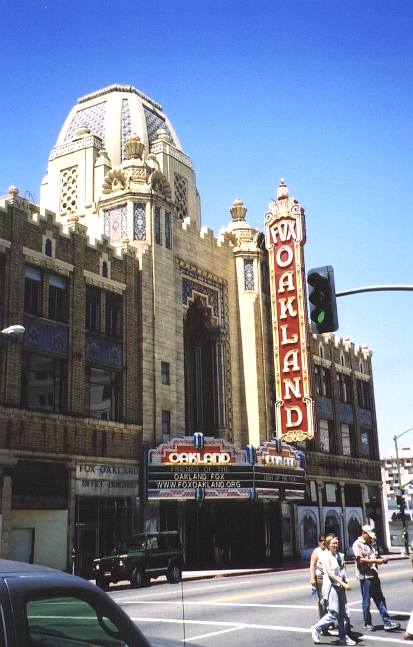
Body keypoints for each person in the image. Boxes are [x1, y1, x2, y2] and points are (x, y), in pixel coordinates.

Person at [352, 524, 400, 632]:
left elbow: (375, 557)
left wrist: (381, 559)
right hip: (365, 576)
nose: (370, 537)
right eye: (369, 535)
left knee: (380, 599)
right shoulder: (357, 544)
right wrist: (376, 561)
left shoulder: (371, 544)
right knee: (366, 601)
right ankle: (367, 623)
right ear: (364, 533)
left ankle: (387, 622)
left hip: (374, 574)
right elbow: (360, 560)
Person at [310, 535, 355, 645]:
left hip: (339, 586)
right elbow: (330, 574)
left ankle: (343, 637)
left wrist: (345, 581)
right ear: (328, 544)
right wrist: (344, 584)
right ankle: (317, 628)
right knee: (334, 612)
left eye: (337, 543)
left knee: (342, 614)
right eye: (333, 543)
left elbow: (341, 571)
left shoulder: (337, 555)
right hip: (331, 587)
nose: (335, 545)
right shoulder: (325, 556)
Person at [309, 534, 339, 636]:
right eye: (320, 540)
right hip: (320, 578)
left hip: (330, 578)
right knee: (323, 601)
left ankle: (329, 621)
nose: (322, 542)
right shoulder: (317, 551)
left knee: (330, 600)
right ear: (318, 542)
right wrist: (312, 578)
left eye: (324, 540)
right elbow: (312, 565)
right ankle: (323, 624)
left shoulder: (329, 551)